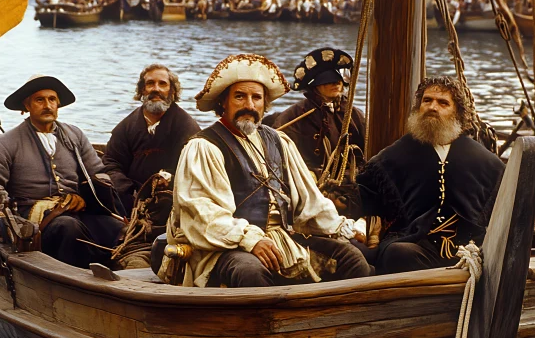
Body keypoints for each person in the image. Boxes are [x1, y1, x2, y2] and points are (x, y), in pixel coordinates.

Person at [162, 54, 371, 288]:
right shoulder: (204, 147)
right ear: (223, 102)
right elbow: (204, 214)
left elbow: (310, 202)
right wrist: (249, 239)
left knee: (352, 259)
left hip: (282, 237)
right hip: (224, 246)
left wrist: (345, 228)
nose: (249, 105)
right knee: (250, 273)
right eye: (240, 97)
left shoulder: (278, 141)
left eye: (256, 98)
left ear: (265, 104)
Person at [356, 76, 504, 275]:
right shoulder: (393, 156)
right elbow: (366, 196)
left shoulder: (486, 162)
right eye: (427, 100)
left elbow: (503, 208)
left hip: (470, 246)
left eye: (443, 103)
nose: (433, 107)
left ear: (457, 113)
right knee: (397, 254)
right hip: (417, 243)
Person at [0, 75, 124, 269]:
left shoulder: (75, 136)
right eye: (40, 100)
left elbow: (98, 172)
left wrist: (85, 197)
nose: (47, 105)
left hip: (75, 211)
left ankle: (114, 270)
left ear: (58, 104)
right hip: (31, 217)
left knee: (117, 228)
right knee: (67, 228)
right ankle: (79, 276)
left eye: (52, 99)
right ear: (27, 106)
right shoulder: (6, 143)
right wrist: (11, 219)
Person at [102, 64, 200, 214]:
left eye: (162, 84)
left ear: (172, 91)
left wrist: (169, 180)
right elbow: (111, 162)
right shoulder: (127, 126)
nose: (156, 89)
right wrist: (128, 191)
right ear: (143, 90)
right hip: (130, 199)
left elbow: (193, 171)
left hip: (172, 201)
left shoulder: (186, 126)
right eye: (150, 84)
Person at [272, 48, 366, 176]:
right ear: (315, 85)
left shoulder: (354, 115)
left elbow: (368, 152)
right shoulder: (294, 116)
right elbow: (281, 158)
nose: (336, 83)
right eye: (329, 80)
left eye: (339, 80)